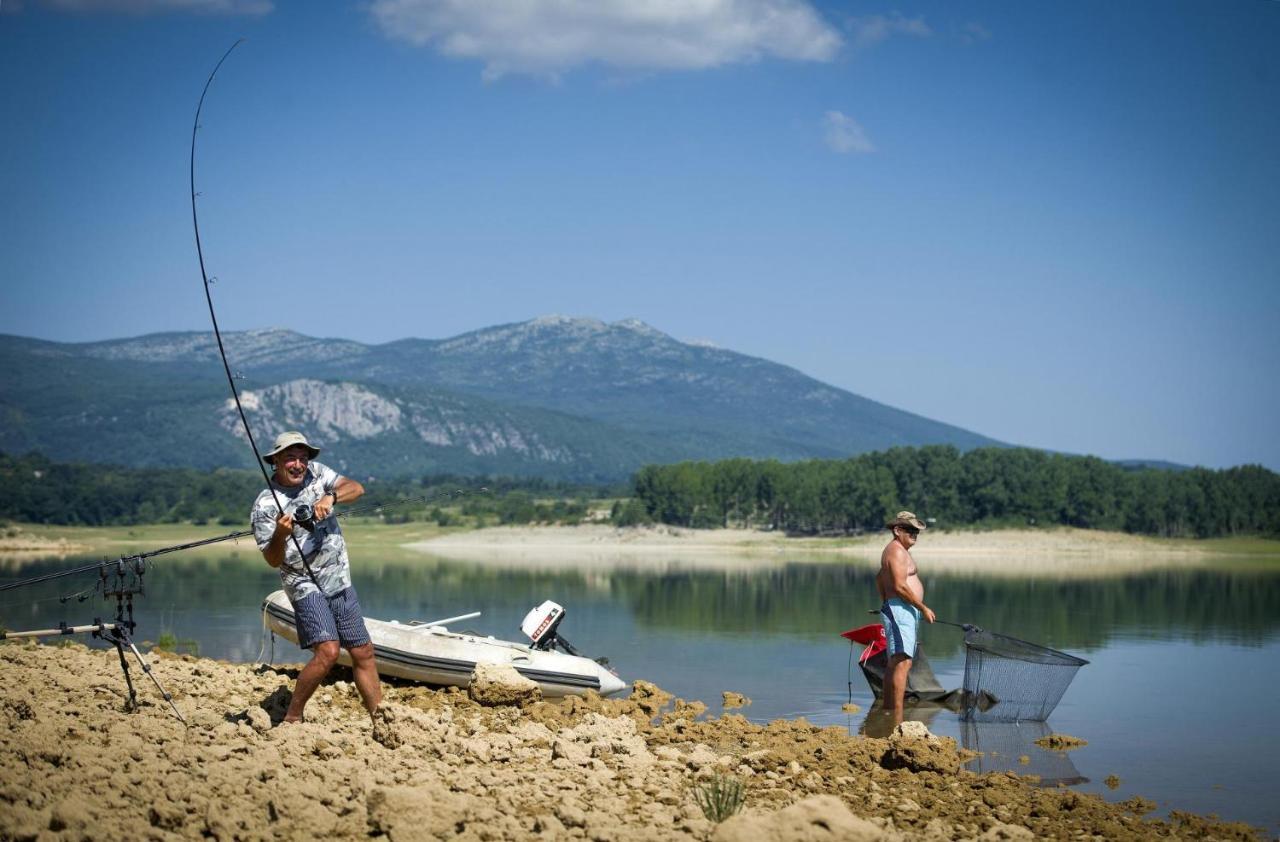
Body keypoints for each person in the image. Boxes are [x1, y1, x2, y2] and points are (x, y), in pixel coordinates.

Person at [251, 430, 383, 725]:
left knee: (363, 651)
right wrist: (280, 535)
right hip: (302, 583)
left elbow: (356, 488)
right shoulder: (264, 507)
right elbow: (272, 560)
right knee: (328, 651)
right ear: (275, 462)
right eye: (290, 458)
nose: (298, 464)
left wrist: (331, 496)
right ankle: (293, 717)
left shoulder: (318, 474)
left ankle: (381, 718)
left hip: (338, 577)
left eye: (302, 457)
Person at [875, 510, 936, 725]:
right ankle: (897, 717)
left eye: (916, 530)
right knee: (902, 662)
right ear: (897, 530)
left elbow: (879, 578)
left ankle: (889, 711)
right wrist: (923, 607)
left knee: (897, 663)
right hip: (901, 610)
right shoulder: (897, 551)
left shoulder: (898, 550)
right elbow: (900, 586)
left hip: (901, 610)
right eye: (909, 529)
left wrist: (886, 603)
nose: (914, 534)